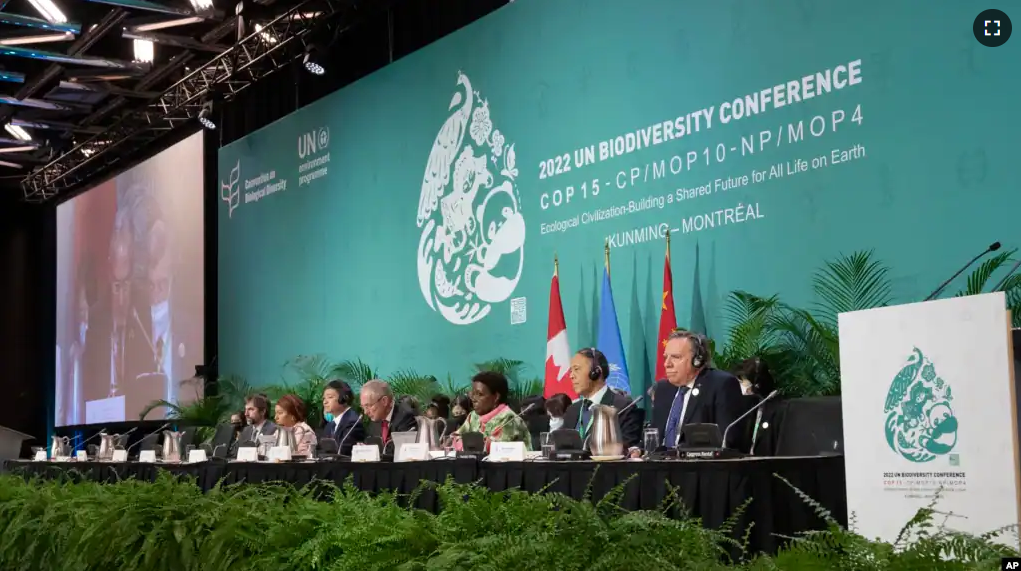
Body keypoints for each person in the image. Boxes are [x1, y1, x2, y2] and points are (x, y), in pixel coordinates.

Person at [647, 330, 745, 452]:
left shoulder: (720, 384)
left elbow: (729, 440)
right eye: (666, 357)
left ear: (697, 360)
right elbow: (654, 436)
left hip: (698, 467)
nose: (667, 364)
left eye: (676, 357)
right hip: (659, 466)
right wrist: (638, 450)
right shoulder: (663, 389)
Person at [562, 348, 643, 450]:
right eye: (571, 370)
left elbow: (626, 450)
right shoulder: (572, 410)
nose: (571, 376)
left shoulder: (624, 408)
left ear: (596, 372)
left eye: (577, 369)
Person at [454, 371, 532, 451]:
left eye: (480, 394)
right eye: (473, 394)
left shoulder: (509, 419)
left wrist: (467, 446)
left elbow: (499, 450)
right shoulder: (473, 416)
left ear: (496, 397)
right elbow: (454, 438)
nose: (474, 399)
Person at [359, 380, 417, 444]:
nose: (365, 412)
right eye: (363, 407)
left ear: (384, 401)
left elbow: (400, 450)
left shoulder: (405, 417)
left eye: (368, 406)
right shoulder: (375, 420)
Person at [321, 379, 364, 455]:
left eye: (330, 397)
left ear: (343, 399)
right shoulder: (330, 425)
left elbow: (343, 451)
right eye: (324, 398)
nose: (325, 402)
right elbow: (321, 449)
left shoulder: (353, 422)